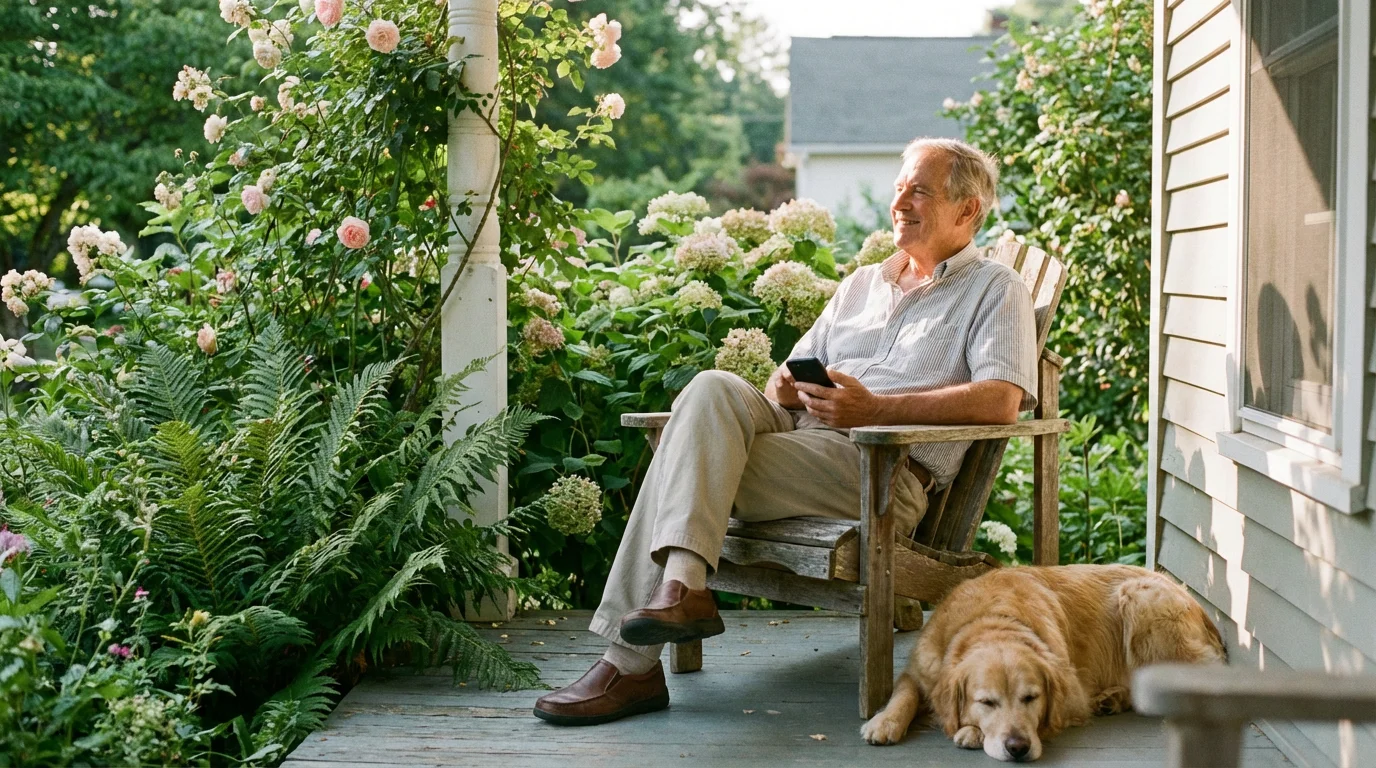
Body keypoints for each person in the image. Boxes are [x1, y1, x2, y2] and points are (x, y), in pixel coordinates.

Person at [533, 137, 1038, 726]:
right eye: (899, 187)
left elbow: (1002, 401)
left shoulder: (995, 289)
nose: (900, 201)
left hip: (877, 468)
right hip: (801, 437)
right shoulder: (861, 285)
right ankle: (682, 592)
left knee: (679, 456)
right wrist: (788, 387)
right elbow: (784, 376)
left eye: (919, 191)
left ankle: (629, 663)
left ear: (967, 209)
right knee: (710, 387)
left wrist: (873, 411)